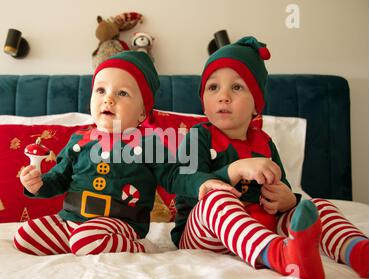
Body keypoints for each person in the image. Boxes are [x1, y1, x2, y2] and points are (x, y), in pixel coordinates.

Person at [171, 36, 369, 279]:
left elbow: (281, 187)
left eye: (237, 87)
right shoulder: (197, 136)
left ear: (256, 105)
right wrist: (234, 170)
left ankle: (358, 252)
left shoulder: (264, 142)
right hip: (203, 235)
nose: (223, 96)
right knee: (216, 199)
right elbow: (186, 181)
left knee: (318, 206)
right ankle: (283, 257)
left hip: (262, 225)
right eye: (213, 88)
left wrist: (286, 199)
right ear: (203, 100)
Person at [13, 51, 233, 256]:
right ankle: (78, 241)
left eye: (122, 93)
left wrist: (202, 183)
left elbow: (175, 175)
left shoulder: (148, 144)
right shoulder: (78, 141)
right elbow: (59, 178)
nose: (109, 99)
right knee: (24, 236)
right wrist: (37, 184)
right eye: (101, 90)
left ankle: (139, 248)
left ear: (142, 113)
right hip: (71, 219)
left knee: (86, 239)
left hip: (122, 223)